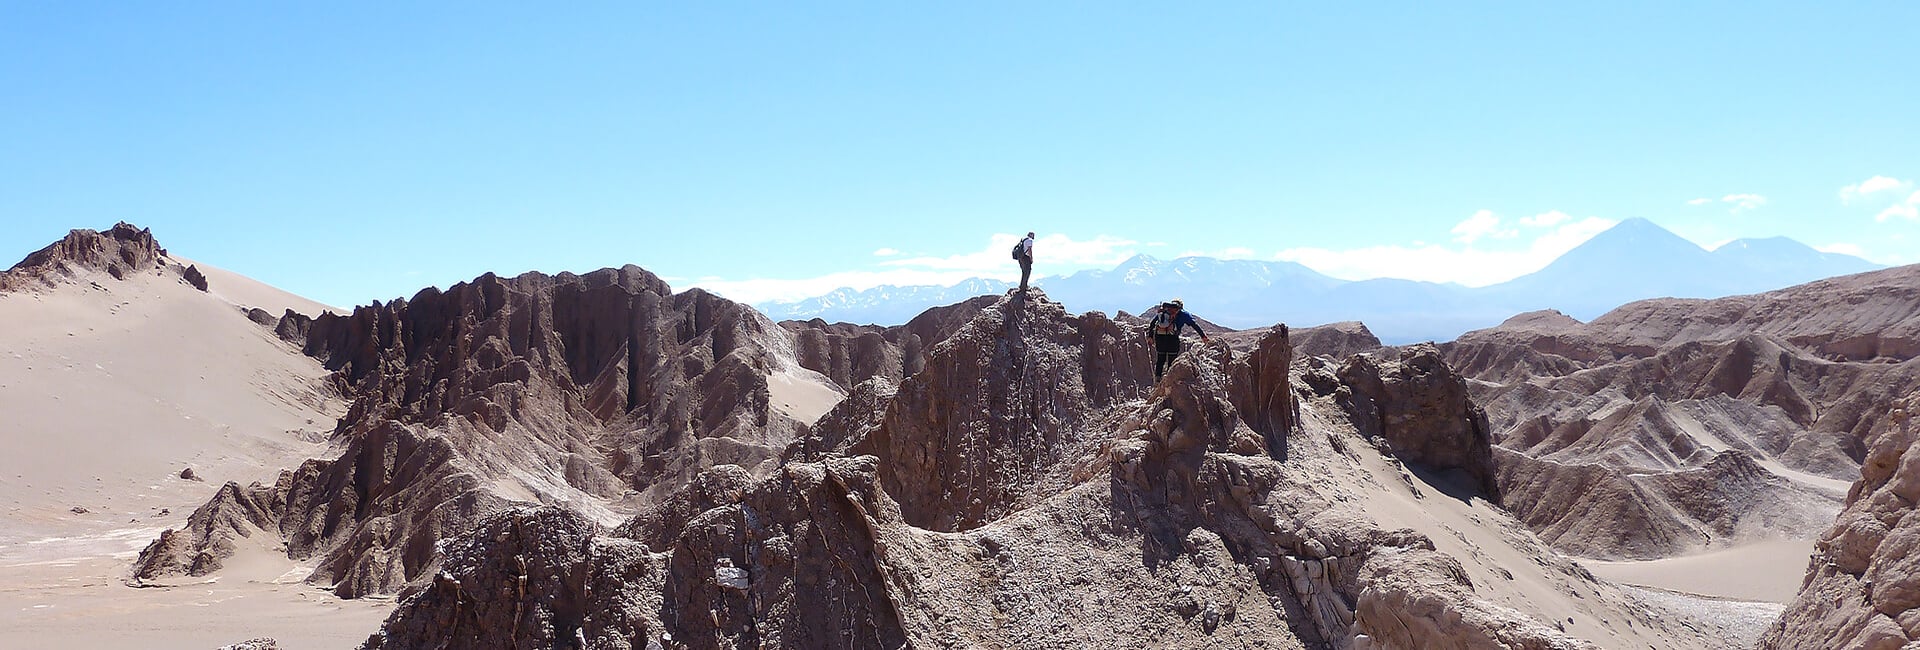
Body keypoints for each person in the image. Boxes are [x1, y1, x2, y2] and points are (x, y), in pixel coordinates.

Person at [1148, 298, 1209, 380]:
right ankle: (1169, 378)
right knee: (1172, 359)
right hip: (1173, 338)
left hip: (1160, 338)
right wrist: (1203, 336)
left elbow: (1152, 323)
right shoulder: (1184, 314)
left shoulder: (1165, 312)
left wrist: (1150, 336)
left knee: (1160, 359)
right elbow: (1194, 325)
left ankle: (1158, 378)